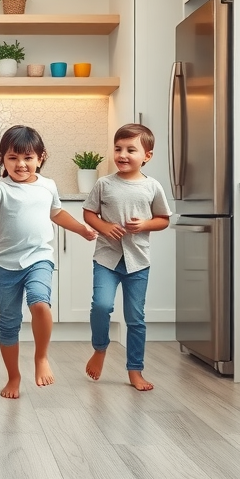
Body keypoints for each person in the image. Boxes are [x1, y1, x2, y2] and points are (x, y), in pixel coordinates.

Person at [0, 125, 97, 399]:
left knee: (40, 302)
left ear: (40, 157)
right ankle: (13, 376)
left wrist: (82, 229)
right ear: (1, 159)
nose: (21, 164)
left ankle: (41, 357)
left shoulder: (48, 185)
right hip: (5, 265)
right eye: (13, 157)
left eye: (28, 157)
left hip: (39, 258)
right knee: (9, 322)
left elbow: (57, 214)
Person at [82, 123, 172, 391]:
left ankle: (135, 369)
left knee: (135, 318)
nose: (122, 154)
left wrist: (145, 224)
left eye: (131, 149)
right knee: (101, 306)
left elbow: (163, 220)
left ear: (147, 155)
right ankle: (100, 349)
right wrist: (104, 227)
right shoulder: (104, 184)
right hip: (107, 259)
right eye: (118, 148)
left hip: (138, 262)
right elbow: (89, 213)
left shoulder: (152, 186)